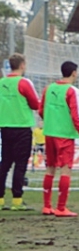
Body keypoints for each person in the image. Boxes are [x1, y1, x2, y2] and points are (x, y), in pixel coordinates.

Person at [38, 61, 79, 217]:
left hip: (49, 133)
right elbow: (76, 115)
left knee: (50, 168)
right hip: (65, 135)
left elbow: (41, 110)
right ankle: (61, 208)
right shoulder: (72, 91)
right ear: (74, 73)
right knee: (65, 169)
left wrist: (51, 121)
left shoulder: (49, 88)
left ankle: (47, 206)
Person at [0, 53, 40, 210]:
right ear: (22, 65)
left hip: (5, 126)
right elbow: (35, 104)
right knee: (20, 164)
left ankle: (1, 199)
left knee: (5, 163)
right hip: (22, 127)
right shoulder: (23, 83)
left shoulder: (1, 82)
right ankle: (17, 200)